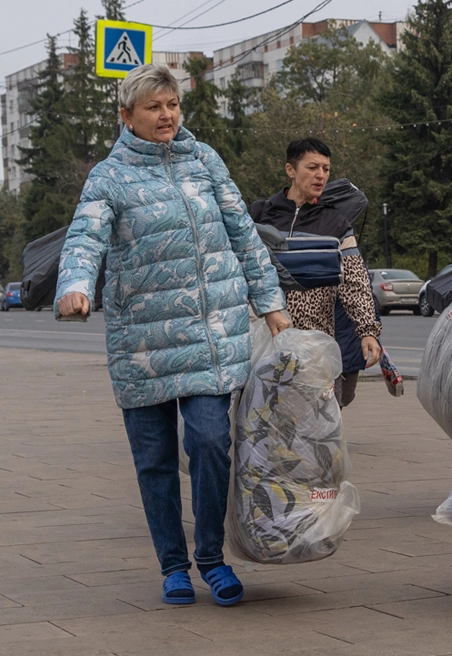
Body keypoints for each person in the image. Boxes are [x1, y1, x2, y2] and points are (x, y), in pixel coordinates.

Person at [54, 64, 288, 606]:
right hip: (141, 341)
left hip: (209, 333)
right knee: (154, 460)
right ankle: (173, 566)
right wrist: (76, 285)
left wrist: (270, 303)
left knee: (210, 440)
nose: (166, 115)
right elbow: (85, 235)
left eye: (173, 105)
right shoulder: (108, 176)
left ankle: (211, 556)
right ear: (126, 116)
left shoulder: (204, 160)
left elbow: (244, 236)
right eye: (154, 107)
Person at [251, 138, 382, 406]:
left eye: (326, 169)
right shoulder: (259, 215)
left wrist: (367, 330)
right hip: (263, 339)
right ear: (291, 170)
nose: (320, 175)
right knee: (261, 422)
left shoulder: (335, 224)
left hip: (315, 342)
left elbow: (354, 282)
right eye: (312, 167)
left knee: (315, 425)